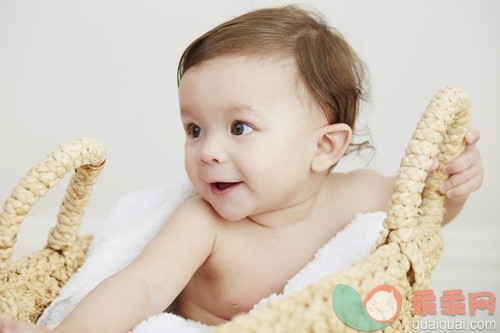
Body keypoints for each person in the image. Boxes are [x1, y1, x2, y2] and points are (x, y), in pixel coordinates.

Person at [0, 5, 483, 333]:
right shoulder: (203, 223)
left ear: (324, 148)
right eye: (194, 130)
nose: (207, 151)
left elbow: (422, 217)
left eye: (239, 127)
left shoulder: (357, 195)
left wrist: (453, 185)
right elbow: (142, 287)